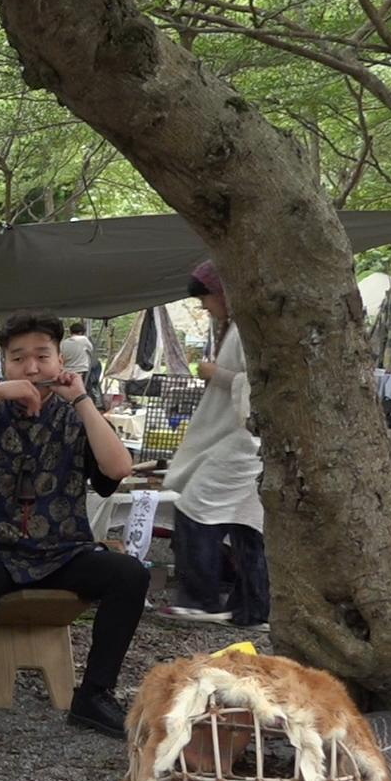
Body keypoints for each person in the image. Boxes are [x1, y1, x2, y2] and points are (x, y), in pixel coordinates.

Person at [0, 311, 144, 738]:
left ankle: (95, 695)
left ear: (61, 360)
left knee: (130, 575)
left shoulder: (75, 414)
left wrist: (82, 400)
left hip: (64, 550)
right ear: (3, 363)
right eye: (18, 358)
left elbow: (118, 467)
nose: (32, 367)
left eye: (42, 356)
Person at [159, 261, 269, 628]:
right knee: (246, 526)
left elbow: (256, 384)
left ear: (224, 293)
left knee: (195, 509)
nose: (206, 307)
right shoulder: (240, 327)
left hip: (240, 443)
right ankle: (254, 608)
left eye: (207, 299)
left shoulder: (247, 329)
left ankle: (201, 600)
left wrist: (215, 375)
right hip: (242, 442)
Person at [61, 321, 99, 402]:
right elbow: (91, 350)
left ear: (71, 331)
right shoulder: (84, 339)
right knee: (83, 394)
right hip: (81, 371)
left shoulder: (64, 343)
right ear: (82, 332)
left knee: (68, 395)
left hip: (67, 372)